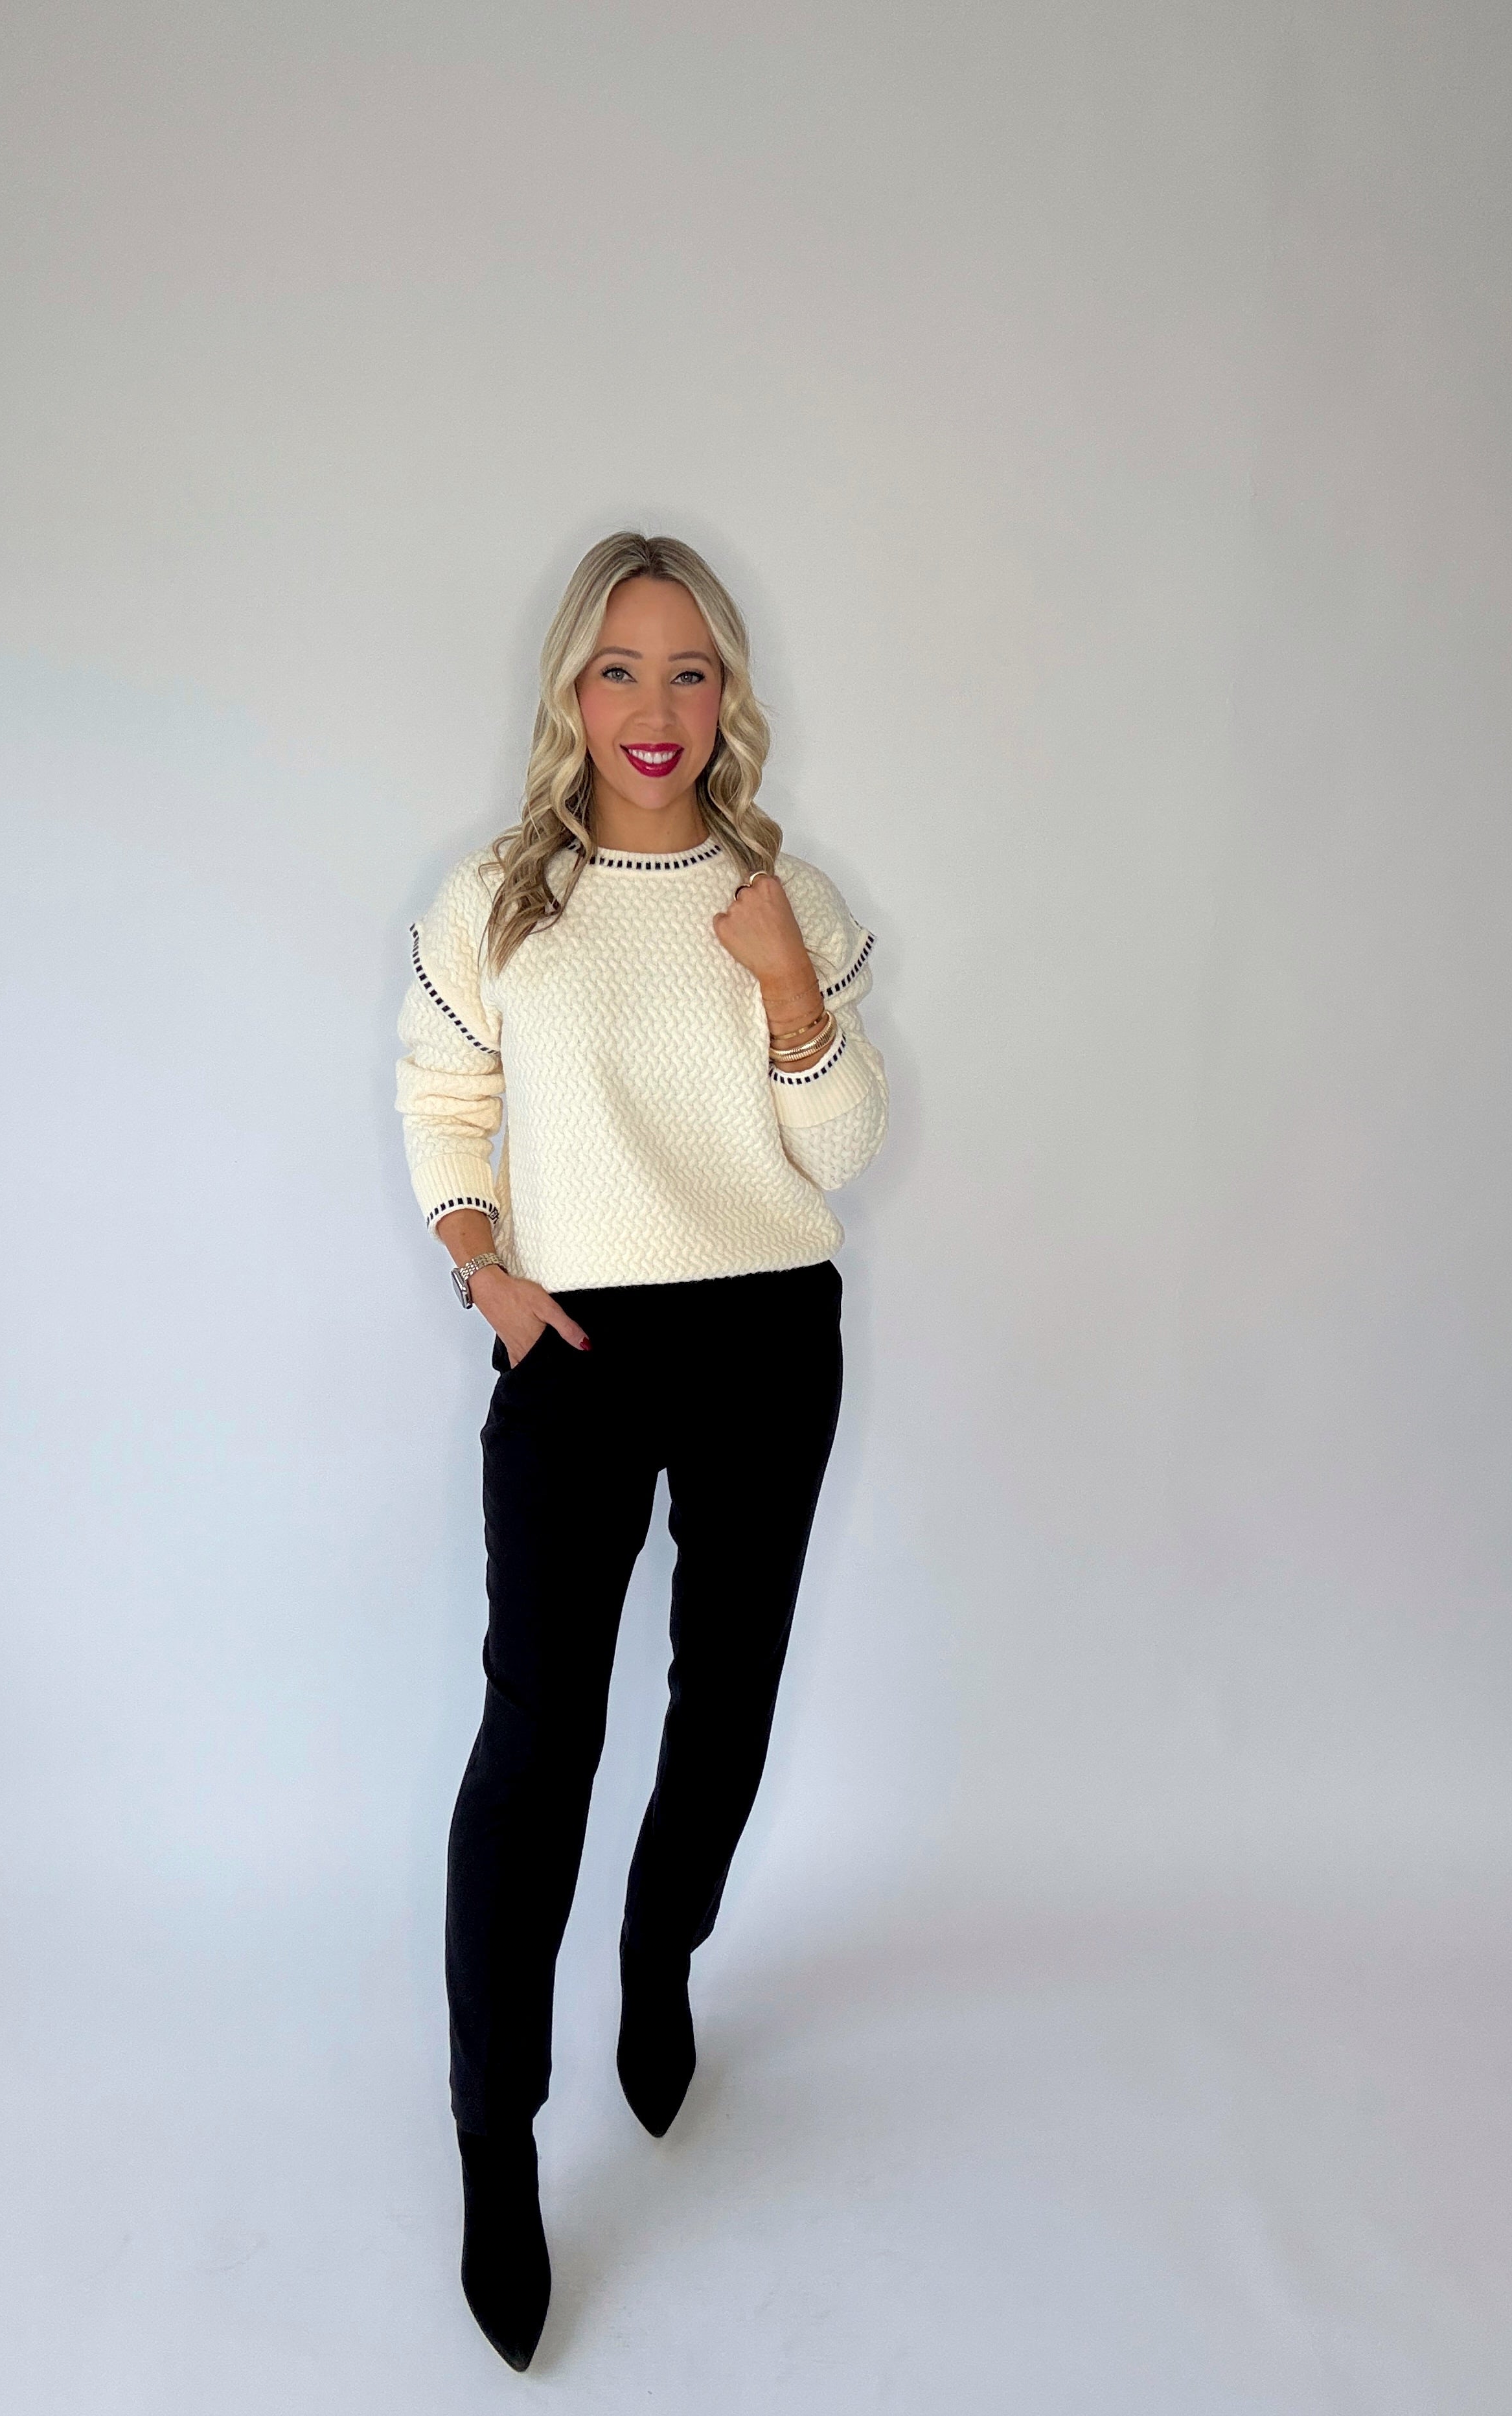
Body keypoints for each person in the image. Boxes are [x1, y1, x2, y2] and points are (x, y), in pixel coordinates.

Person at [393, 531, 889, 2370]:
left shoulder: (782, 893)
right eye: (620, 669)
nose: (655, 707)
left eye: (690, 670)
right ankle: (495, 2139)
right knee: (539, 1739)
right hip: (579, 1344)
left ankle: (658, 1949)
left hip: (765, 1333)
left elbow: (841, 1148)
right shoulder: (500, 902)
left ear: (726, 694)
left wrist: (788, 989)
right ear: (573, 693)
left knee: (727, 1695)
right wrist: (486, 1269)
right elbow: (442, 1094)